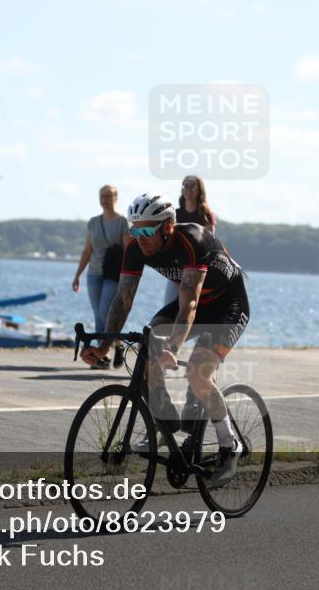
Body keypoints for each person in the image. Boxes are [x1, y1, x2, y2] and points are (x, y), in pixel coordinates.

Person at [80, 193, 249, 487]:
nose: (140, 238)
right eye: (135, 230)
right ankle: (164, 422)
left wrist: (173, 348)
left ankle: (229, 444)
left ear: (168, 226)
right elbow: (122, 299)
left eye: (147, 230)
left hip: (227, 305)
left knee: (197, 372)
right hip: (194, 302)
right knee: (148, 341)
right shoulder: (135, 247)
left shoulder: (192, 241)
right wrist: (105, 346)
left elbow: (190, 304)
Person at [72, 184, 129, 369]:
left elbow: (127, 250)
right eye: (102, 196)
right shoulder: (94, 222)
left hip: (113, 273)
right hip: (94, 272)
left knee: (106, 311)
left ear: (115, 198)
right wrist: (77, 275)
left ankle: (117, 343)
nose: (105, 199)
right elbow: (88, 250)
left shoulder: (122, 222)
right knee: (98, 315)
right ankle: (101, 357)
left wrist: (128, 277)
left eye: (108, 196)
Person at [164, 175, 217, 306]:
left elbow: (210, 245)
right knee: (168, 306)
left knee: (191, 307)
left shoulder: (206, 215)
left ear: (200, 190)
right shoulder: (174, 214)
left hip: (197, 269)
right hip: (176, 268)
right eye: (185, 185)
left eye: (192, 186)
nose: (188, 189)